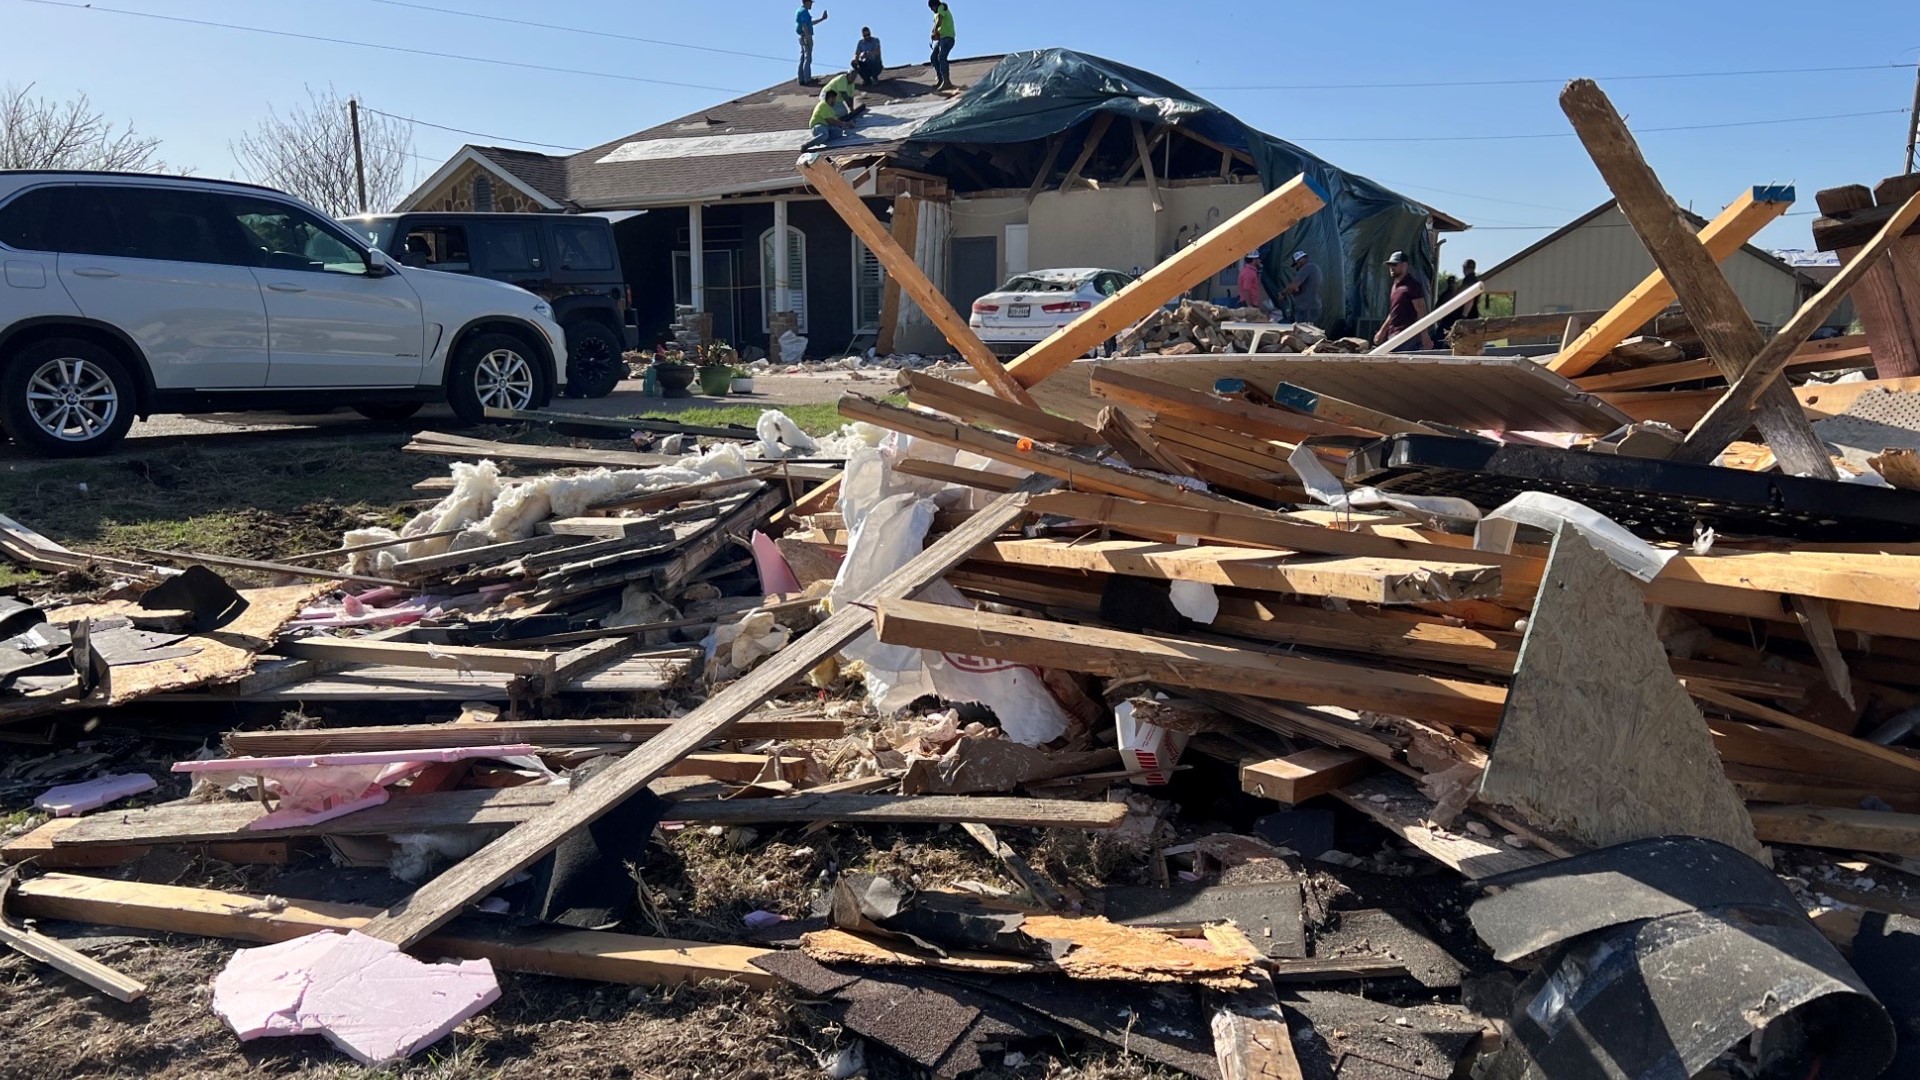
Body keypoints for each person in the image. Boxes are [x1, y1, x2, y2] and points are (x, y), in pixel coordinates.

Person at [1374, 250, 1433, 351]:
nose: (1391, 268)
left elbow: (1421, 312)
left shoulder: (1412, 286)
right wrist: (1382, 331)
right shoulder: (1395, 286)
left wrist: (1425, 337)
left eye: (1394, 264)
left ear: (1404, 265)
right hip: (1393, 334)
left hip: (1407, 335)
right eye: (1390, 265)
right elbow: (1393, 312)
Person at [1434, 258, 1480, 341]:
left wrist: (1463, 317)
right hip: (1472, 316)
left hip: (1466, 317)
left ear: (1464, 268)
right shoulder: (1475, 281)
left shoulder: (1468, 281)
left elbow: (1469, 299)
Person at [1280, 249, 1322, 326]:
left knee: (1301, 332)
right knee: (1310, 332)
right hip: (1314, 306)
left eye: (1296, 264)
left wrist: (1283, 294)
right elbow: (1303, 288)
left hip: (1306, 308)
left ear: (1300, 260)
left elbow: (1293, 286)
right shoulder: (1315, 268)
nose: (1296, 267)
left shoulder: (1307, 267)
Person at [795, 0, 828, 86]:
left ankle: (801, 78)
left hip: (802, 36)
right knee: (807, 57)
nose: (811, 4)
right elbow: (804, 26)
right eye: (810, 2)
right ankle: (807, 79)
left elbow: (809, 23)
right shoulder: (804, 12)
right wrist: (808, 37)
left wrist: (821, 19)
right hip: (805, 36)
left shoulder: (800, 10)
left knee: (802, 57)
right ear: (806, 2)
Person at [928, 0, 956, 91]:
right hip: (942, 39)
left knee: (942, 57)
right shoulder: (936, 14)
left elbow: (939, 20)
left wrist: (935, 31)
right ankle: (941, 80)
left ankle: (946, 82)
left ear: (935, 5)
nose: (932, 10)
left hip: (948, 38)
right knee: (933, 58)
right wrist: (934, 33)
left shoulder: (941, 7)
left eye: (932, 8)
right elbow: (937, 24)